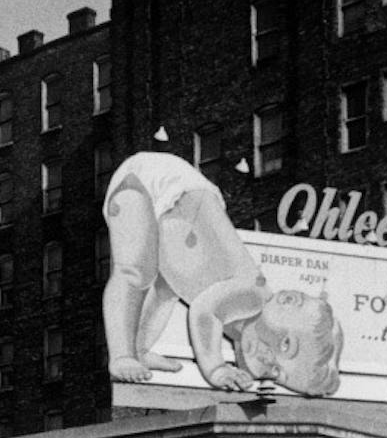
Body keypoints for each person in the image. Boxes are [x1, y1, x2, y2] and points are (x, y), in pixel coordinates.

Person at [102, 152, 344, 396]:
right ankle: (122, 356)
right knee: (135, 271)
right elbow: (204, 311)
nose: (269, 360)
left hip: (177, 226)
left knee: (165, 292)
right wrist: (215, 367)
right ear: (287, 300)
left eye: (277, 372)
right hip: (148, 183)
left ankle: (139, 350)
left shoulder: (240, 322)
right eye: (286, 344)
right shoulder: (253, 295)